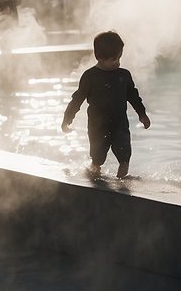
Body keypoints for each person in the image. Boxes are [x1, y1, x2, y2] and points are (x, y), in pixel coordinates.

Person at [61, 30, 151, 179]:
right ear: (99, 58)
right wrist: (67, 119)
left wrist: (142, 114)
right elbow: (77, 99)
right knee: (97, 156)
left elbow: (133, 96)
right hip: (97, 125)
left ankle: (122, 175)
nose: (117, 62)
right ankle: (94, 172)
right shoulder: (90, 76)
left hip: (120, 122)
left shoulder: (124, 75)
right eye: (113, 59)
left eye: (119, 58)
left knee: (124, 153)